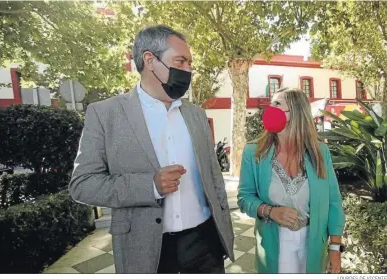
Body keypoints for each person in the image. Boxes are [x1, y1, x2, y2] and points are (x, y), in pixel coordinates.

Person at [69, 25, 234, 273]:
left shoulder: (196, 114)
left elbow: (213, 177)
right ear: (150, 60)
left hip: (205, 243)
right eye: (181, 61)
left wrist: (223, 231)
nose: (188, 69)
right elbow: (82, 184)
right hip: (146, 251)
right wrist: (150, 186)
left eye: (190, 63)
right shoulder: (105, 114)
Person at [237, 87, 346, 274]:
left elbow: (334, 201)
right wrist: (270, 211)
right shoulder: (253, 152)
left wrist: (335, 248)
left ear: (296, 112)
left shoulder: (320, 152)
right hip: (274, 242)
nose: (270, 109)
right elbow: (244, 198)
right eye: (271, 104)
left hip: (313, 244)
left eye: (277, 104)